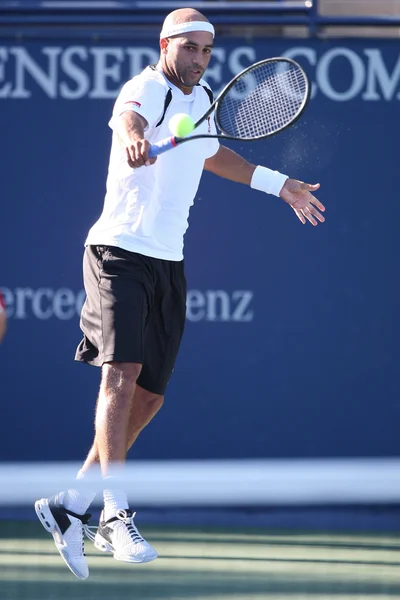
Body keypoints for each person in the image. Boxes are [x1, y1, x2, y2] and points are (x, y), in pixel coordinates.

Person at [35, 7, 326, 580]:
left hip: (168, 261)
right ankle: (115, 511)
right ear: (165, 44)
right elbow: (127, 120)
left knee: (148, 398)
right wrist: (138, 138)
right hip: (118, 251)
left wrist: (280, 185)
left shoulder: (201, 102)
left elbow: (215, 155)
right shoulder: (145, 86)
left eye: (205, 51)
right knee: (120, 374)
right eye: (188, 48)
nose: (197, 59)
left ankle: (70, 506)